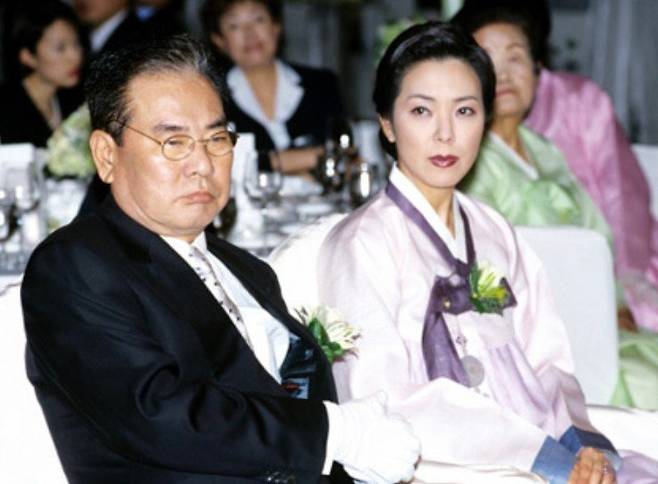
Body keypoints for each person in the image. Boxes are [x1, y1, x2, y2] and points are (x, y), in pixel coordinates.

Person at [21, 35, 420, 483]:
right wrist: (335, 433)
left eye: (216, 139)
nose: (202, 164)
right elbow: (159, 414)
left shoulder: (247, 270)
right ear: (106, 155)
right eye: (174, 142)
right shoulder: (75, 266)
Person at [318, 21, 658, 483]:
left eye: (464, 110)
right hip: (443, 463)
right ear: (387, 124)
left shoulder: (493, 229)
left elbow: (548, 361)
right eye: (421, 111)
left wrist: (581, 448)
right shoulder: (362, 244)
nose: (445, 134)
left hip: (541, 439)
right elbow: (381, 399)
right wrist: (550, 461)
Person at [452, 2, 658, 411]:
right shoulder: (467, 160)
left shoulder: (545, 150)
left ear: (538, 69)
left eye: (516, 58)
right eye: (488, 61)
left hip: (594, 318)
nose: (504, 74)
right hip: (535, 336)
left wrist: (615, 302)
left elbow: (597, 234)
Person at [201, 0, 345, 174]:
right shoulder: (212, 98)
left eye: (258, 20)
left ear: (276, 26)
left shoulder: (321, 84)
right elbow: (223, 165)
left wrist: (267, 162)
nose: (250, 34)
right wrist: (312, 158)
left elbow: (344, 156)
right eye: (234, 26)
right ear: (219, 40)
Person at [0, 0, 84, 147]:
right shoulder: (6, 108)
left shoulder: (75, 101)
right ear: (28, 56)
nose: (75, 56)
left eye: (76, 43)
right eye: (60, 48)